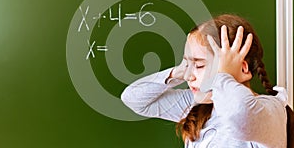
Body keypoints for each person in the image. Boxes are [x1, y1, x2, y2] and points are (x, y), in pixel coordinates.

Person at [121, 14, 293, 147]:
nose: (190, 76)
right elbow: (134, 99)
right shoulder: (199, 106)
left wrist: (223, 75)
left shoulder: (270, 110)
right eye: (189, 64)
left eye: (201, 65)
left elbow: (239, 118)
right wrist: (180, 70)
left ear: (242, 68)